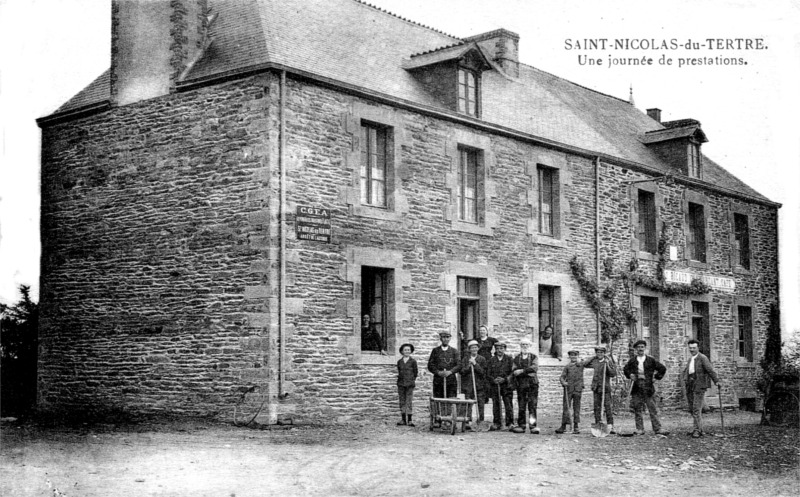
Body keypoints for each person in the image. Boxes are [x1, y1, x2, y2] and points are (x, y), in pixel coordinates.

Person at [623, 340, 669, 436]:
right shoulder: (632, 361)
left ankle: (657, 428)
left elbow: (662, 368)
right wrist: (630, 375)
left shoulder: (650, 360)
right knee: (637, 408)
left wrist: (656, 378)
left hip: (648, 387)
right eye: (638, 347)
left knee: (652, 408)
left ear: (645, 348)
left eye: (642, 347)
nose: (640, 349)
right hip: (636, 387)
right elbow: (625, 369)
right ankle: (640, 429)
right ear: (636, 349)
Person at [681, 339, 721, 438]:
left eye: (694, 348)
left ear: (698, 348)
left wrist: (717, 381)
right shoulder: (690, 359)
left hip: (699, 385)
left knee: (696, 408)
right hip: (690, 385)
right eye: (690, 348)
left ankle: (697, 430)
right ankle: (699, 428)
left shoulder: (703, 358)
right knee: (692, 408)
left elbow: (710, 370)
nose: (692, 350)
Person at [584, 344, 617, 433]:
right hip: (596, 388)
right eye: (598, 352)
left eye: (601, 352)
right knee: (597, 408)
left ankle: (611, 426)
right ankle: (598, 425)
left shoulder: (607, 361)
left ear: (604, 353)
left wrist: (608, 365)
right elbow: (585, 364)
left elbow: (613, 373)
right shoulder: (594, 362)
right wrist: (593, 357)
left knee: (608, 407)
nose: (599, 354)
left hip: (605, 388)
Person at [512, 337, 540, 434]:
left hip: (532, 384)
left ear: (529, 346)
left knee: (532, 405)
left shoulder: (534, 357)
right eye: (523, 344)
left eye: (526, 345)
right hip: (521, 384)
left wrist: (522, 371)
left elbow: (534, 368)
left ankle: (533, 426)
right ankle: (521, 425)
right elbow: (514, 370)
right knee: (522, 405)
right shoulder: (516, 358)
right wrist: (524, 372)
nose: (524, 346)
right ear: (520, 346)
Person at [486, 338, 514, 431]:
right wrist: (493, 380)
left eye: (501, 348)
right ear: (495, 350)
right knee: (496, 404)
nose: (499, 350)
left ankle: (510, 423)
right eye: (497, 349)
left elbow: (512, 373)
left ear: (504, 349)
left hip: (506, 385)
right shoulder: (491, 360)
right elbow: (488, 373)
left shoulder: (509, 359)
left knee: (508, 404)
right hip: (495, 385)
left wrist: (504, 379)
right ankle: (497, 423)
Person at [460, 340, 487, 428]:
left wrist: (475, 364)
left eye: (475, 347)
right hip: (468, 385)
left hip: (479, 385)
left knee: (480, 404)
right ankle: (468, 421)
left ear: (478, 348)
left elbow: (483, 372)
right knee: (468, 404)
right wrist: (468, 366)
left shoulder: (482, 359)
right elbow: (462, 372)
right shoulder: (465, 359)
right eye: (472, 348)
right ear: (469, 349)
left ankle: (480, 421)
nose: (474, 349)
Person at [556, 349, 585, 434]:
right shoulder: (567, 366)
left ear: (577, 356)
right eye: (571, 355)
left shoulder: (581, 365)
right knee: (566, 407)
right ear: (569, 357)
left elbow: (588, 362)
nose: (573, 357)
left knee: (577, 407)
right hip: (568, 389)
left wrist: (583, 360)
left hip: (578, 389)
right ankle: (563, 425)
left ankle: (576, 426)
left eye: (575, 355)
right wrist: (563, 382)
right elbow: (562, 377)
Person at [427, 331, 461, 399]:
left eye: (447, 337)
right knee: (438, 400)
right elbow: (430, 365)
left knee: (451, 400)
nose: (446, 339)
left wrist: (450, 372)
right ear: (441, 339)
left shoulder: (454, 351)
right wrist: (438, 372)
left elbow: (459, 365)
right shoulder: (435, 351)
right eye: (444, 337)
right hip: (438, 380)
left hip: (451, 380)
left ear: (450, 339)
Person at [396, 343, 418, 427]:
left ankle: (409, 420)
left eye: (408, 350)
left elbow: (415, 373)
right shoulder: (399, 362)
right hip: (401, 384)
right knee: (402, 401)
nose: (407, 351)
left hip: (410, 384)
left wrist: (411, 380)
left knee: (409, 401)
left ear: (411, 351)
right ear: (402, 351)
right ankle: (403, 419)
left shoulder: (413, 361)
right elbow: (399, 371)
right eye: (405, 350)